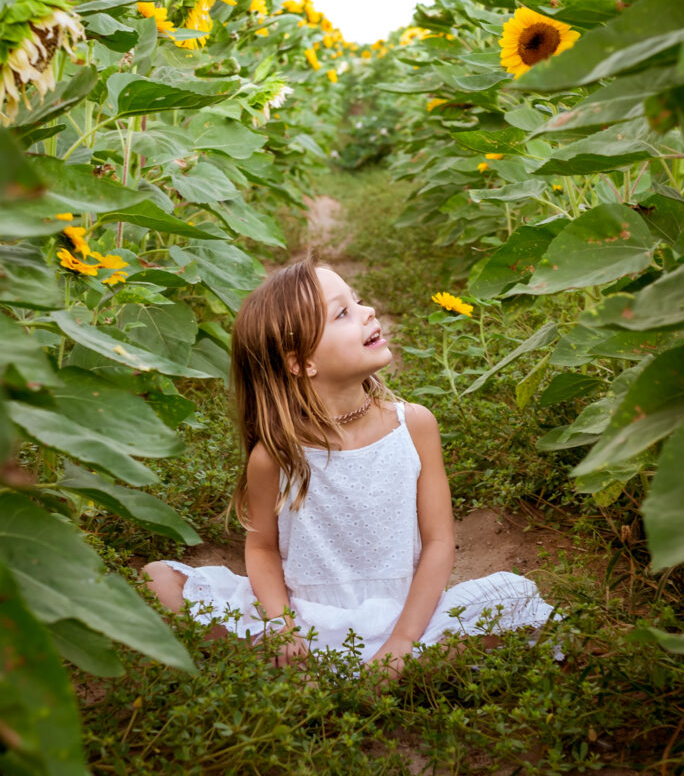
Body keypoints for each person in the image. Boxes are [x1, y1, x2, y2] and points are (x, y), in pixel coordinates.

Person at [143, 257, 556, 677]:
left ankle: (379, 671)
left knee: (516, 601)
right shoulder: (275, 454)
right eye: (343, 312)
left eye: (357, 302)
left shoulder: (413, 425)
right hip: (304, 618)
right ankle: (318, 668)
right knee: (157, 581)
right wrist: (283, 630)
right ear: (302, 363)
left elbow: (438, 542)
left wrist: (401, 644)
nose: (368, 311)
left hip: (408, 620)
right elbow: (262, 548)